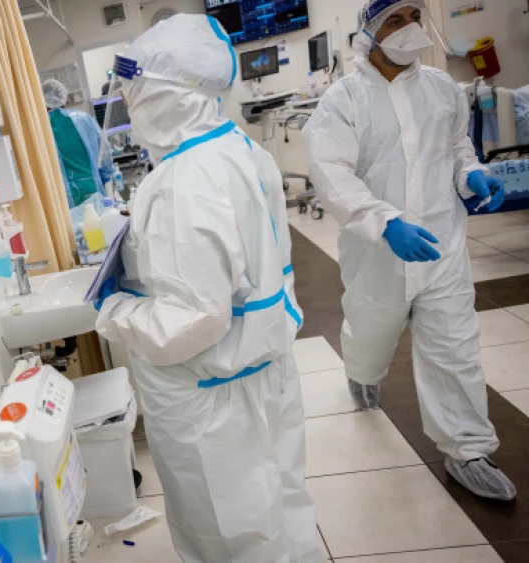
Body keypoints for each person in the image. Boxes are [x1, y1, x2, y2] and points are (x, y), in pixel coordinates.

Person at [94, 14, 322, 562]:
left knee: (230, 534)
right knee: (282, 507)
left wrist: (114, 308)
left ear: (172, 93)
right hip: (263, 373)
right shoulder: (239, 149)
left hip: (209, 397)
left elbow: (194, 321)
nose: (130, 101)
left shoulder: (182, 182)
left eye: (137, 89)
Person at [302, 0, 515, 501]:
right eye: (394, 21)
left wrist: (472, 173)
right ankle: (362, 373)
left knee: (454, 346)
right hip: (379, 248)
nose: (409, 29)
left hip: (444, 241)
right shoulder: (344, 99)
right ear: (370, 34)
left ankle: (467, 449)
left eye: (415, 17)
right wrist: (384, 220)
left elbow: (457, 147)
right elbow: (331, 172)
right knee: (372, 327)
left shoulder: (442, 89)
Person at [42, 78, 115, 209]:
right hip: (92, 188)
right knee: (97, 226)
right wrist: (105, 177)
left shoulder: (41, 127)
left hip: (64, 196)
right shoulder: (83, 118)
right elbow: (104, 153)